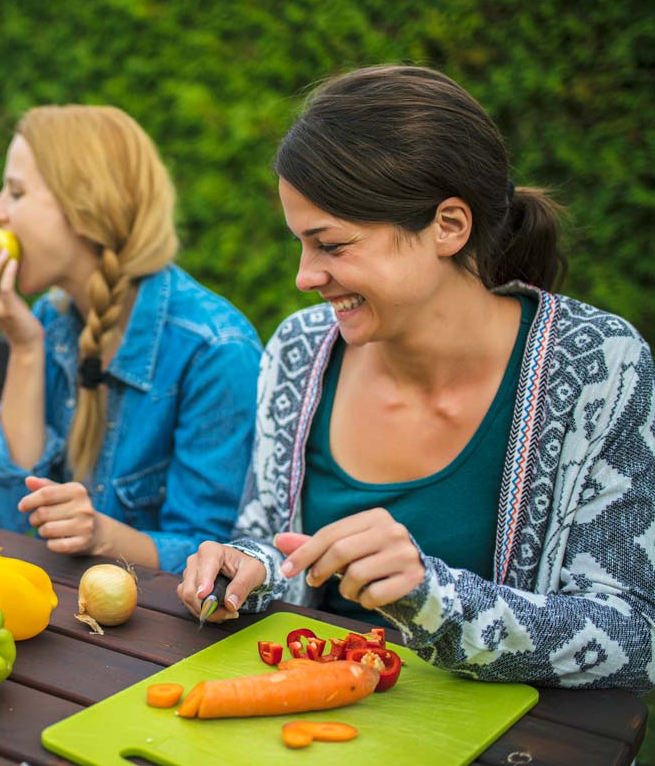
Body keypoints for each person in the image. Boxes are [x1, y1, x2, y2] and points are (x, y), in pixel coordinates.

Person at [177, 65, 655, 692]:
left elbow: (634, 635)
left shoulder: (599, 365)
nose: (304, 276)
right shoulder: (299, 351)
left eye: (332, 245)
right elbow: (278, 541)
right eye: (300, 243)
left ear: (448, 227)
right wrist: (250, 567)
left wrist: (432, 598)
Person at [0, 105, 263, 574]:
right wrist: (24, 345)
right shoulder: (53, 318)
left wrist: (104, 536)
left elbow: (215, 557)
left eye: (16, 192)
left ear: (85, 207)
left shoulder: (214, 351)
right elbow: (9, 514)